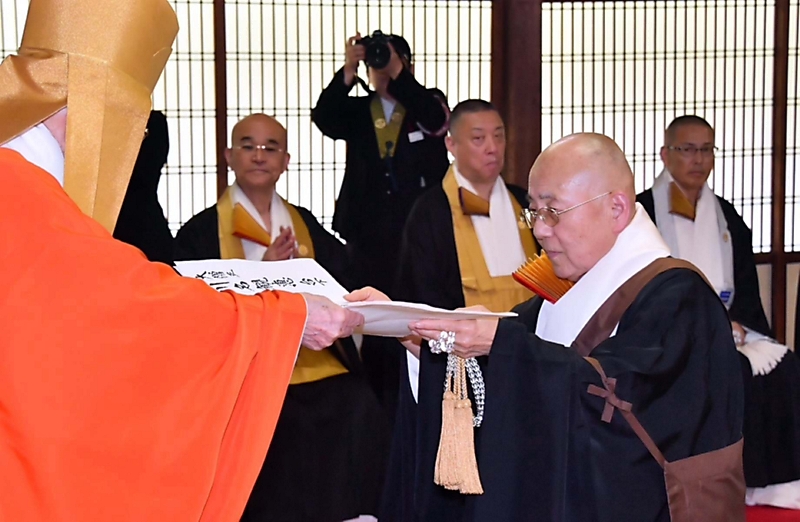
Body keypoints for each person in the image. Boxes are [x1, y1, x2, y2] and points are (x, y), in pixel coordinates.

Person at [0, 2, 363, 521]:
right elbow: (128, 305)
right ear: (95, 109)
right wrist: (286, 315)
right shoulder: (23, 190)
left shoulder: (18, 178)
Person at [349, 132, 745, 521]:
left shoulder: (679, 297)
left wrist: (501, 344)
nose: (539, 229)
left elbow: (621, 402)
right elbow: (515, 362)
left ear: (617, 209)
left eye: (553, 211)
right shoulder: (562, 288)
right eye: (533, 211)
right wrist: (424, 336)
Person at [175, 113, 389, 522]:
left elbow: (344, 278)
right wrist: (266, 273)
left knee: (360, 405)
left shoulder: (304, 223)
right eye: (249, 146)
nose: (260, 156)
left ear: (286, 160)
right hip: (243, 367)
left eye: (271, 147)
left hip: (318, 365)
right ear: (229, 156)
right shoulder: (200, 230)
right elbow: (190, 304)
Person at [380, 99, 537, 521]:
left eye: (499, 136)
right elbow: (421, 296)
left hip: (526, 356)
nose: (492, 147)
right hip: (461, 365)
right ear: (450, 143)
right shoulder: (430, 211)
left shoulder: (526, 207)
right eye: (478, 138)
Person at [637, 114, 800, 508]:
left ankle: (774, 480)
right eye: (687, 149)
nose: (698, 159)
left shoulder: (728, 217)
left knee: (785, 365)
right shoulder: (643, 214)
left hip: (729, 326)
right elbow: (638, 289)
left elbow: (743, 287)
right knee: (736, 371)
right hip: (666, 334)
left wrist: (739, 324)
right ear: (665, 154)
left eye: (706, 149)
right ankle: (738, 479)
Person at [312, 32, 450, 417]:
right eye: (377, 63)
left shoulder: (426, 101)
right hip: (369, 230)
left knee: (417, 307)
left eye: (388, 60)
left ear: (405, 62)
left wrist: (398, 75)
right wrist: (348, 70)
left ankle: (424, 390)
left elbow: (439, 121)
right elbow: (325, 118)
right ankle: (375, 403)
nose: (382, 69)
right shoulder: (360, 110)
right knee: (373, 319)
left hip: (415, 227)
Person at [113, 109, 174, 264]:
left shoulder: (154, 121)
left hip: (147, 221)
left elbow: (151, 166)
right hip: (107, 218)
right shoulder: (97, 117)